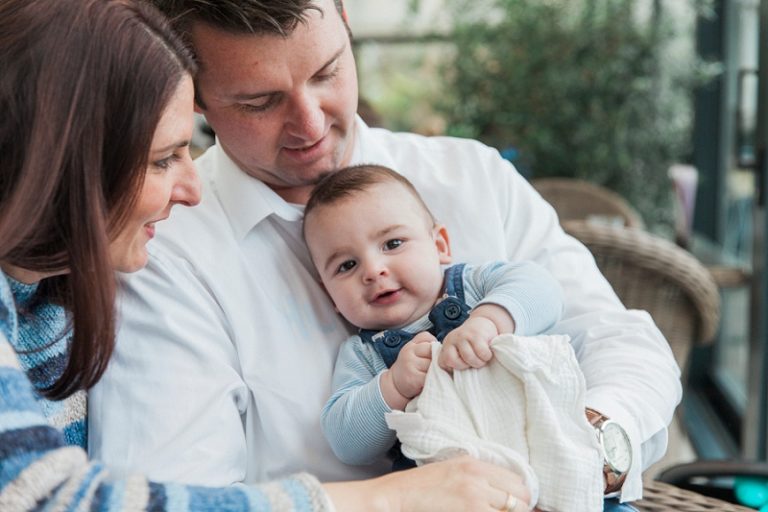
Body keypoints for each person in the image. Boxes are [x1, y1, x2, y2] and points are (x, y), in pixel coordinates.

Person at [88, 0, 681, 507]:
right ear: (195, 97)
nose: (310, 123)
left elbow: (622, 342)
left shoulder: (470, 177)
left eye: (327, 72)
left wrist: (582, 454)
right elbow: (175, 494)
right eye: (259, 102)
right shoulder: (162, 253)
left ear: (346, 20)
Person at [0, 0, 531, 510]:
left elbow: (603, 332)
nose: (191, 188)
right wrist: (393, 499)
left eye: (327, 72)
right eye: (163, 160)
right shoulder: (150, 266)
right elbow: (54, 498)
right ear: (63, 161)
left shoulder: (55, 293)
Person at [302, 164, 564, 468]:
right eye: (347, 265)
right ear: (329, 294)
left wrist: (488, 322)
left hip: (543, 447)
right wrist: (393, 387)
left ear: (440, 246)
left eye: (392, 244)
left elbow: (544, 289)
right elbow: (345, 442)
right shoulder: (363, 355)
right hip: (450, 488)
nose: (374, 271)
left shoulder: (475, 284)